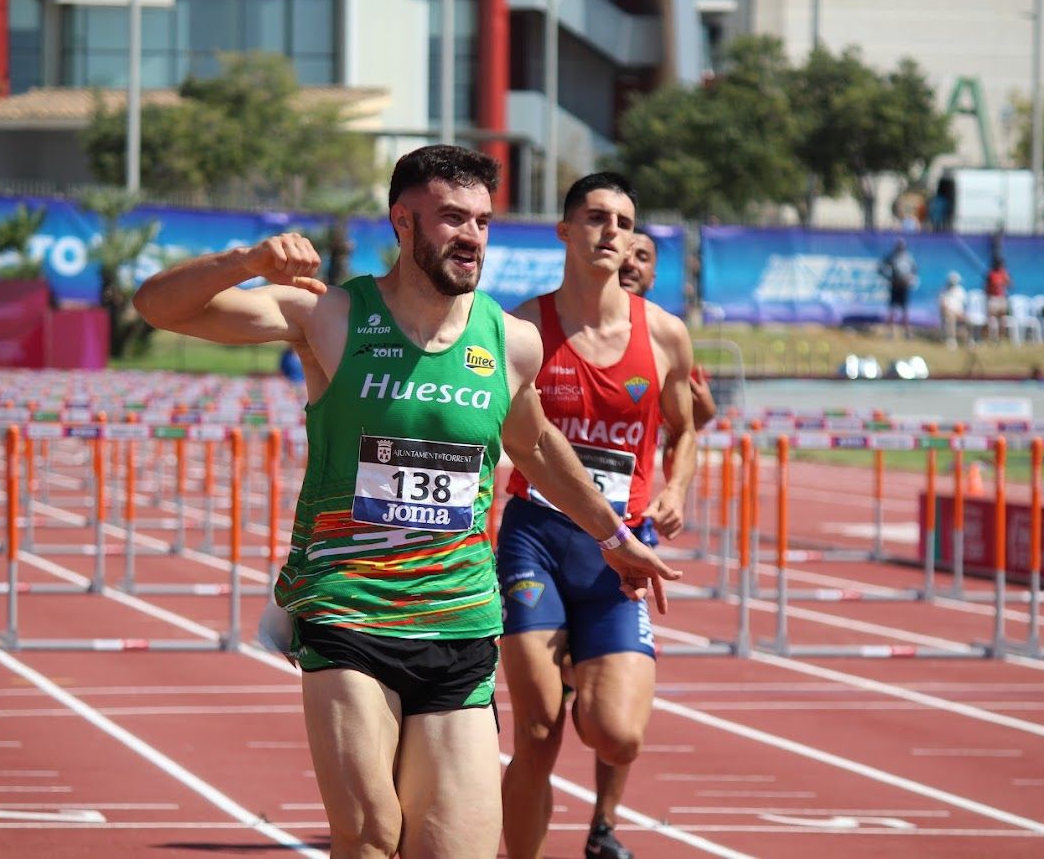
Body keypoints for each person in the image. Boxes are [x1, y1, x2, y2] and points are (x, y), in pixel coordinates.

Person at [132, 145, 679, 859]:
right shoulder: (329, 315)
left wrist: (614, 536)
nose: (471, 237)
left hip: (459, 619)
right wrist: (245, 261)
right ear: (402, 221)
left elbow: (537, 447)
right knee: (369, 836)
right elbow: (157, 308)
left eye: (482, 221)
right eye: (452, 218)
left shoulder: (510, 341)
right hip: (349, 609)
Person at [497, 173, 697, 859]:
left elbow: (686, 426)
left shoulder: (665, 335)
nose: (610, 230)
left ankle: (592, 667)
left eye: (622, 219)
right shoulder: (522, 328)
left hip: (622, 551)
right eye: (594, 216)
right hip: (538, 541)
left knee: (616, 734)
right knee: (535, 730)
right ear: (564, 231)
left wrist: (676, 486)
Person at [618, 228, 717, 434]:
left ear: (652, 278)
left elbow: (684, 424)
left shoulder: (667, 336)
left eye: (642, 257)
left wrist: (704, 411)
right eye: (624, 254)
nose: (630, 263)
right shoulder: (570, 326)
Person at [878, 237, 917, 339]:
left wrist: (910, 279)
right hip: (894, 286)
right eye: (899, 247)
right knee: (892, 310)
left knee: (905, 310)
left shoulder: (909, 258)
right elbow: (881, 268)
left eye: (902, 247)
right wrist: (889, 277)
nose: (900, 248)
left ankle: (907, 333)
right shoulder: (892, 257)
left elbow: (914, 270)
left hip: (904, 287)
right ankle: (891, 333)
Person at [937, 271, 968, 350]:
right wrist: (953, 313)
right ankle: (951, 340)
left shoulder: (961, 290)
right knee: (950, 317)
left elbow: (965, 305)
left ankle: (970, 340)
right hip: (949, 313)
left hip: (959, 313)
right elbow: (943, 305)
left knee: (970, 319)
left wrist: (962, 314)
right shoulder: (944, 291)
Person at [984, 257, 1012, 343]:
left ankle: (1001, 338)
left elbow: (1010, 284)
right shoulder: (991, 274)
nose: (1000, 265)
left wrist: (1007, 278)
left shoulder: (1003, 273)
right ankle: (992, 338)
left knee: (1002, 320)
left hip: (1001, 299)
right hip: (993, 299)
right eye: (999, 264)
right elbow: (986, 288)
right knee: (992, 320)